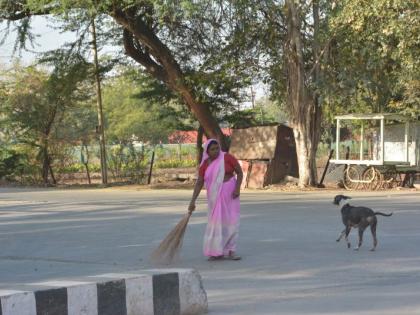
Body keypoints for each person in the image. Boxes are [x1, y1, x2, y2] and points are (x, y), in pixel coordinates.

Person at [188, 139, 243, 261]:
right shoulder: (205, 164)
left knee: (231, 222)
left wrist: (237, 189)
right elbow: (199, 182)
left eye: (217, 148)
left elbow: (239, 172)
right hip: (214, 195)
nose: (216, 151)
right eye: (212, 149)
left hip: (230, 192)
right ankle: (215, 251)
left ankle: (231, 250)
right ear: (207, 151)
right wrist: (192, 201)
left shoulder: (227, 157)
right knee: (216, 223)